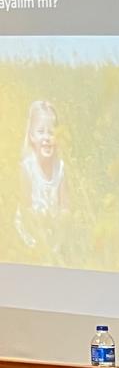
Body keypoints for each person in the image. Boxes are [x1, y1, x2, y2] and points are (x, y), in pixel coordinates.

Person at [15, 99, 70, 254]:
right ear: (32, 136)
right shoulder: (27, 168)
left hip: (53, 229)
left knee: (55, 255)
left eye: (51, 133)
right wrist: (40, 224)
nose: (46, 137)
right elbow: (25, 208)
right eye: (41, 132)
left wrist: (58, 223)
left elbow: (65, 206)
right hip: (30, 230)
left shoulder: (60, 168)